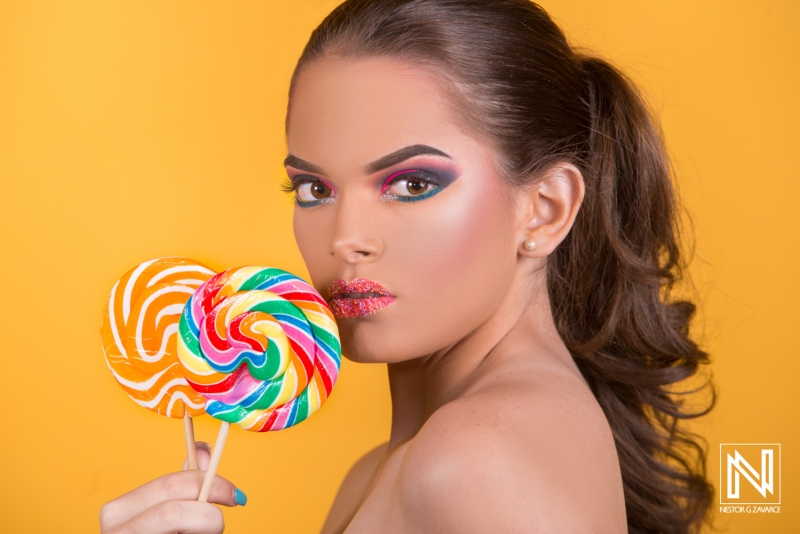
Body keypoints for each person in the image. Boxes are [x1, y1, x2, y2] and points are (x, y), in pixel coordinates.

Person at [99, 1, 716, 532]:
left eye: (412, 182)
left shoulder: (474, 464)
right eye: (314, 190)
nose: (346, 240)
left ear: (544, 210)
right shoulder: (390, 466)